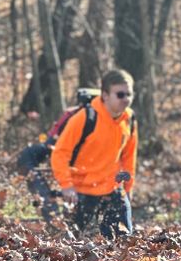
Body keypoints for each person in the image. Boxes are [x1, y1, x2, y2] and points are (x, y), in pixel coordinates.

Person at [50, 68, 138, 238]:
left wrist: (128, 188)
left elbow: (129, 156)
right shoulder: (85, 118)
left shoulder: (129, 118)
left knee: (123, 242)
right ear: (105, 95)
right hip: (82, 192)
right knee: (74, 246)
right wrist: (66, 185)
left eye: (129, 94)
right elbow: (60, 153)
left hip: (113, 189)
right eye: (120, 95)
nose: (126, 99)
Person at [16, 87, 99, 221]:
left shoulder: (109, 120)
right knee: (27, 155)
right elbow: (52, 142)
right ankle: (50, 209)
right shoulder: (72, 114)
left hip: (93, 168)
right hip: (65, 157)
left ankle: (75, 216)